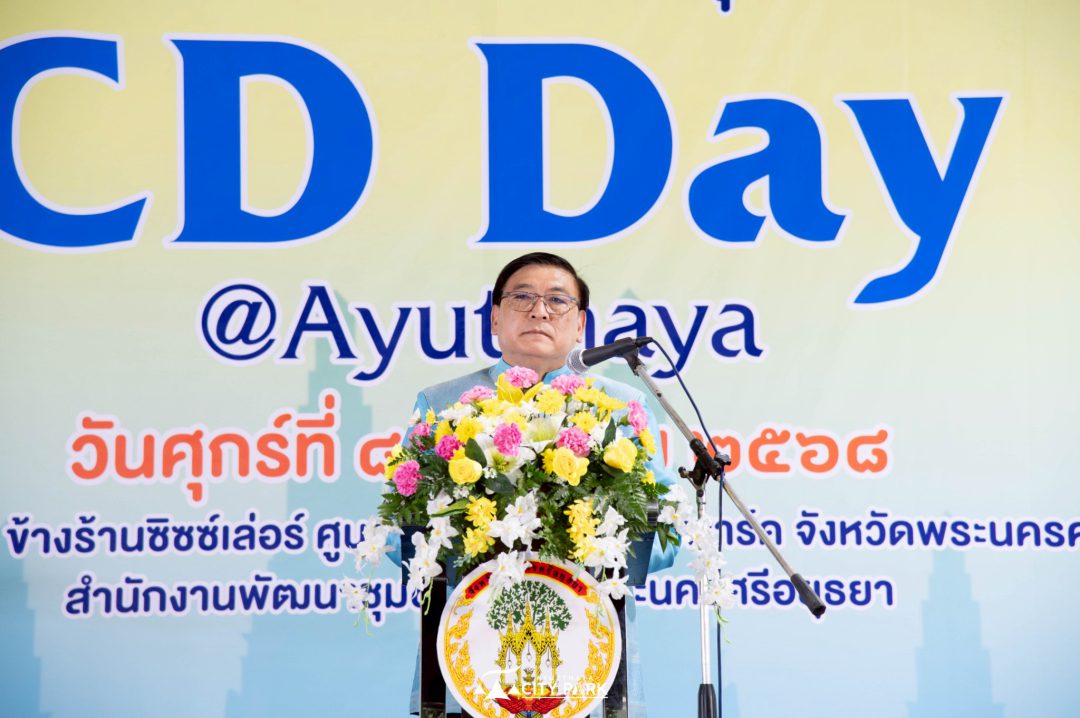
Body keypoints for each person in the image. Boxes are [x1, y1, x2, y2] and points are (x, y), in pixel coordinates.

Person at [403, 252, 677, 717]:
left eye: (557, 300)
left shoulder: (620, 405)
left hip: (588, 652)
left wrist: (586, 544)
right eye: (523, 297)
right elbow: (404, 529)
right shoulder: (442, 403)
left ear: (580, 324)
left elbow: (662, 526)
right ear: (494, 317)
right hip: (470, 649)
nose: (540, 311)